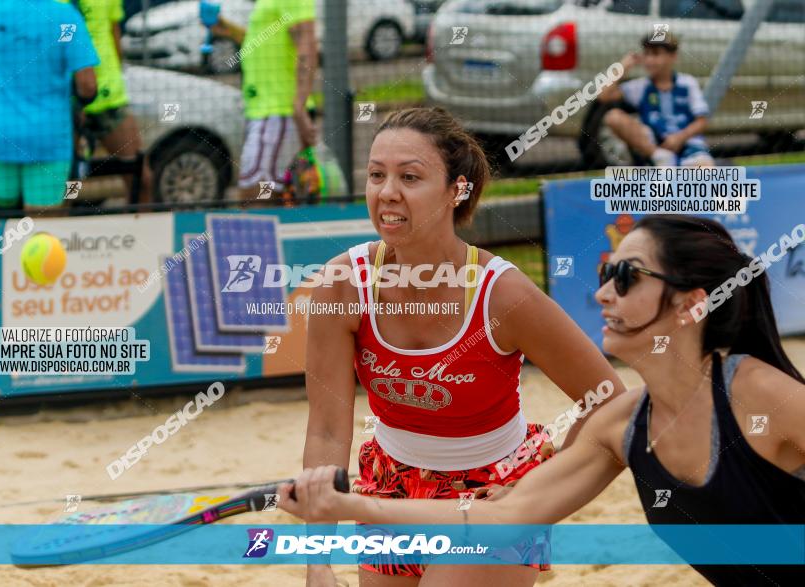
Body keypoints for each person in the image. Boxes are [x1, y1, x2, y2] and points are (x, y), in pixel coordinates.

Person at [281, 216, 805, 586]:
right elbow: (510, 516)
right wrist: (346, 506)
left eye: (625, 278)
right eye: (605, 274)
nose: (601, 294)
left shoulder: (761, 396)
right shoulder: (622, 425)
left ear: (692, 306)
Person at [297, 107, 625, 586]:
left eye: (410, 176)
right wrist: (317, 564)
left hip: (492, 488)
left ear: (457, 191)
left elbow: (608, 401)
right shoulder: (341, 284)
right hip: (391, 485)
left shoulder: (503, 294)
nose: (387, 192)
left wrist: (535, 490)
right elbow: (326, 433)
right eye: (375, 175)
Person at [0, 0, 98, 362]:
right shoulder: (64, 15)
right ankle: (43, 341)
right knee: (45, 242)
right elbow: (87, 84)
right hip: (50, 141)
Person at [210, 0, 317, 201]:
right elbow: (263, 40)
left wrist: (299, 106)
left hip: (277, 113)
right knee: (268, 197)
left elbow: (306, 41)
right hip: (268, 114)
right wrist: (225, 27)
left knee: (256, 196)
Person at [70, 0, 153, 203]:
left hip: (110, 98)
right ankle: (53, 235)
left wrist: (117, 76)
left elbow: (114, 33)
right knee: (65, 189)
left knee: (141, 179)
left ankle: (137, 232)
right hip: (67, 102)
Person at [598, 31, 715, 167]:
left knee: (706, 173)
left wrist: (679, 138)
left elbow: (702, 121)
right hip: (656, 146)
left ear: (673, 56)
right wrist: (623, 67)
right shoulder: (640, 86)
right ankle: (660, 157)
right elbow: (603, 95)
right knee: (613, 117)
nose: (649, 60)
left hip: (688, 144)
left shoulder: (688, 83)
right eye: (646, 54)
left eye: (656, 54)